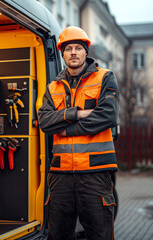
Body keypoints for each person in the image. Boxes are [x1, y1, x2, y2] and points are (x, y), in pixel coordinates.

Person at [38, 26, 119, 240]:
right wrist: (78, 113)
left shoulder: (105, 78)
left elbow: (107, 116)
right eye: (68, 49)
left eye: (78, 48)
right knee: (57, 235)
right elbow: (44, 121)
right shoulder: (52, 87)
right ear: (63, 54)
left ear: (86, 52)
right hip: (61, 175)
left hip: (96, 173)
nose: (73, 52)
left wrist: (66, 128)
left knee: (100, 234)